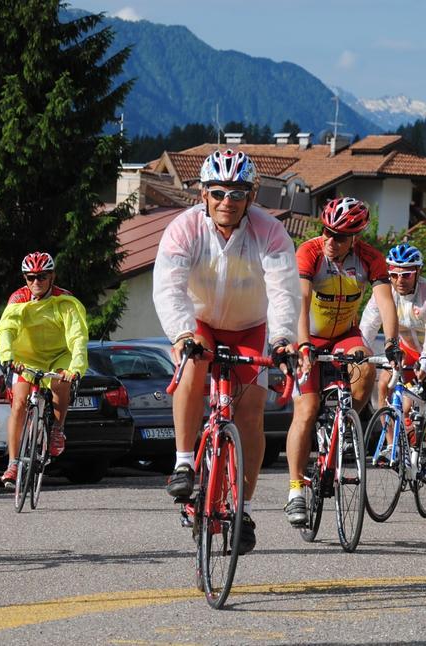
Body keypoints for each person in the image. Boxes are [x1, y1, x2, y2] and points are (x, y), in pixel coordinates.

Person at [153, 148, 299, 555]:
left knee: (251, 413)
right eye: (218, 193)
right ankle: (184, 462)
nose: (227, 202)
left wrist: (283, 337)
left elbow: (284, 288)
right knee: (192, 367)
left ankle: (244, 509)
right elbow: (168, 285)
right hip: (199, 324)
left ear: (250, 197)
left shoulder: (269, 231)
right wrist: (182, 333)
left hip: (250, 326)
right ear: (203, 194)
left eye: (236, 194)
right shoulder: (183, 229)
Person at [283, 197, 402, 527]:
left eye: (339, 237)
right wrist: (304, 345)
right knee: (306, 410)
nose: (331, 241)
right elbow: (301, 301)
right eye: (327, 232)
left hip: (345, 335)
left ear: (356, 238)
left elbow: (385, 302)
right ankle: (295, 489)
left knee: (366, 367)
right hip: (309, 333)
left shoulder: (369, 259)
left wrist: (391, 343)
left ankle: (345, 420)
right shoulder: (310, 252)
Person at [360, 242, 426, 490]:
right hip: (407, 349)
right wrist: (361, 352)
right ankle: (393, 446)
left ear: (418, 272)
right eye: (393, 274)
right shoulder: (384, 293)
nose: (399, 280)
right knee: (383, 385)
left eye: (406, 274)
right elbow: (368, 327)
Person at [0, 252, 88, 488]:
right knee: (19, 403)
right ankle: (13, 463)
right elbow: (6, 329)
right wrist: (7, 356)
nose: (36, 282)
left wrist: (75, 368)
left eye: (42, 277)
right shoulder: (18, 299)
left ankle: (57, 429)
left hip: (60, 355)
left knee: (60, 383)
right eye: (30, 277)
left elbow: (77, 337)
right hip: (27, 358)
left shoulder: (65, 301)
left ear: (52, 277)